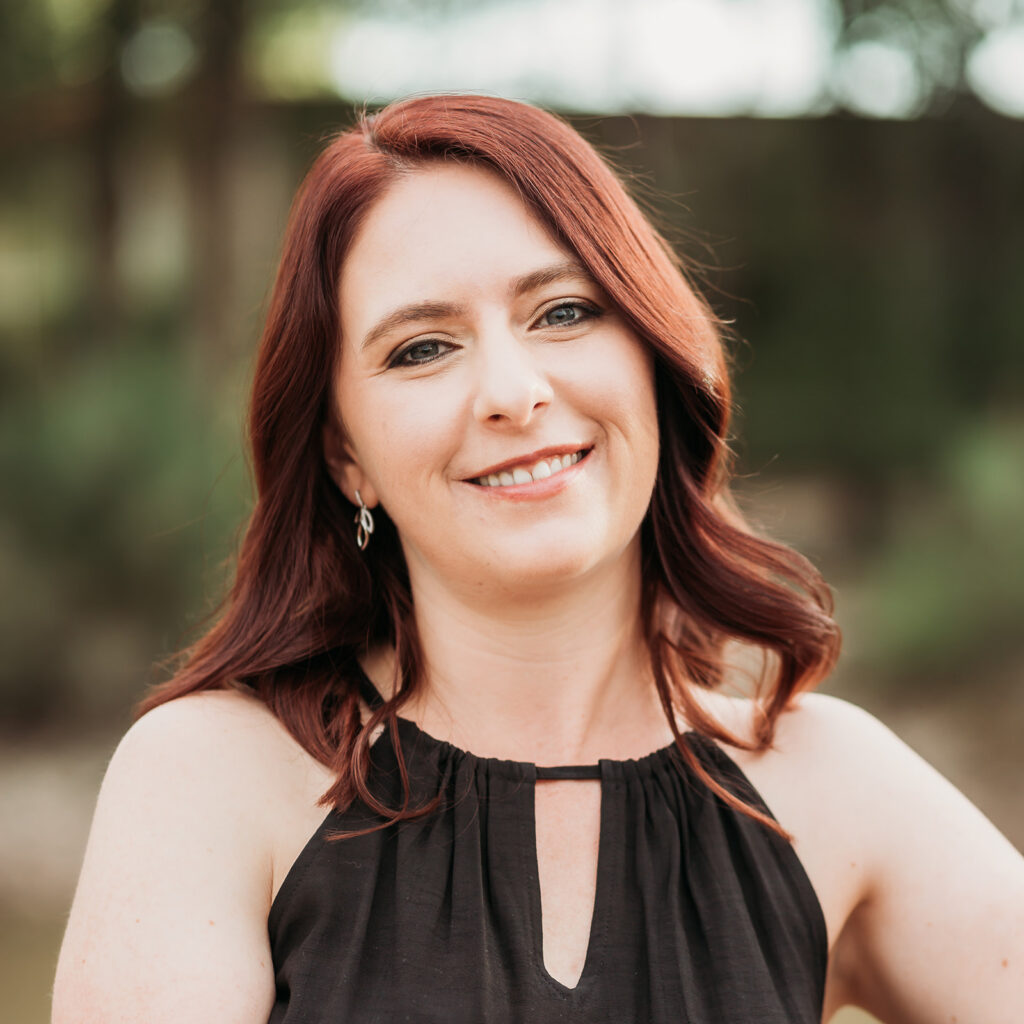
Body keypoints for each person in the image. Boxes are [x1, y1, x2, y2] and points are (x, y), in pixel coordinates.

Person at [53, 93, 1022, 1024]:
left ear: (653, 356)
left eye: (562, 312)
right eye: (423, 348)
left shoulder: (826, 786)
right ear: (348, 457)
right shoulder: (216, 778)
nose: (513, 393)